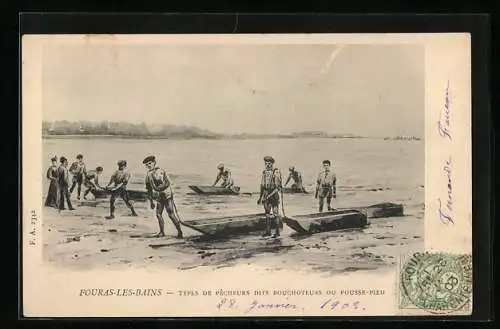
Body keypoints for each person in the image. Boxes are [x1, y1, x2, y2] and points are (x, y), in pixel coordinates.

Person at [143, 155, 183, 238]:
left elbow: (167, 183)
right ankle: (161, 232)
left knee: (171, 214)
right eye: (146, 165)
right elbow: (149, 189)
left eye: (149, 163)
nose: (148, 166)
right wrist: (151, 202)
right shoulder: (148, 175)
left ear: (154, 163)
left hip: (167, 195)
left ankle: (180, 232)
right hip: (159, 197)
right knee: (158, 214)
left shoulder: (160, 171)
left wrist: (159, 188)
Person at [257, 156, 283, 238]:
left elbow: (277, 188)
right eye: (266, 163)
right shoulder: (264, 172)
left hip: (273, 195)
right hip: (266, 195)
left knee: (275, 214)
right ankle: (268, 231)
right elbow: (262, 186)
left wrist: (269, 196)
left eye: (269, 164)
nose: (267, 165)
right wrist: (260, 197)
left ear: (272, 164)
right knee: (267, 214)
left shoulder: (276, 172)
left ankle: (277, 232)